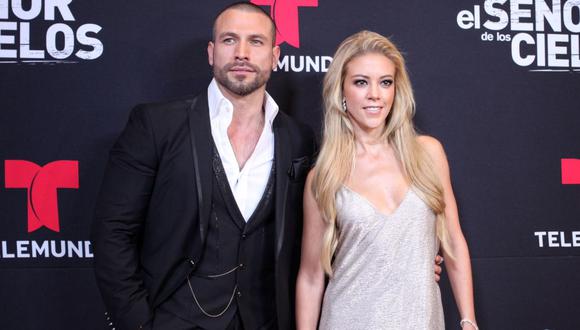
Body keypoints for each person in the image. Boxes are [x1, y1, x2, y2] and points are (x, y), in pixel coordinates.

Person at [91, 3, 315, 329]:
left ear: (275, 55)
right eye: (229, 40)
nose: (241, 53)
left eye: (255, 41)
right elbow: (112, 232)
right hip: (174, 318)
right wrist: (137, 323)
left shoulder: (298, 139)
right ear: (211, 52)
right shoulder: (156, 125)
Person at [295, 31, 478, 330]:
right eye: (361, 82)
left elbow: (453, 240)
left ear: (396, 89)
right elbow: (311, 276)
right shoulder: (324, 177)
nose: (375, 95)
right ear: (341, 91)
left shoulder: (428, 154)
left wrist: (468, 319)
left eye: (385, 82)